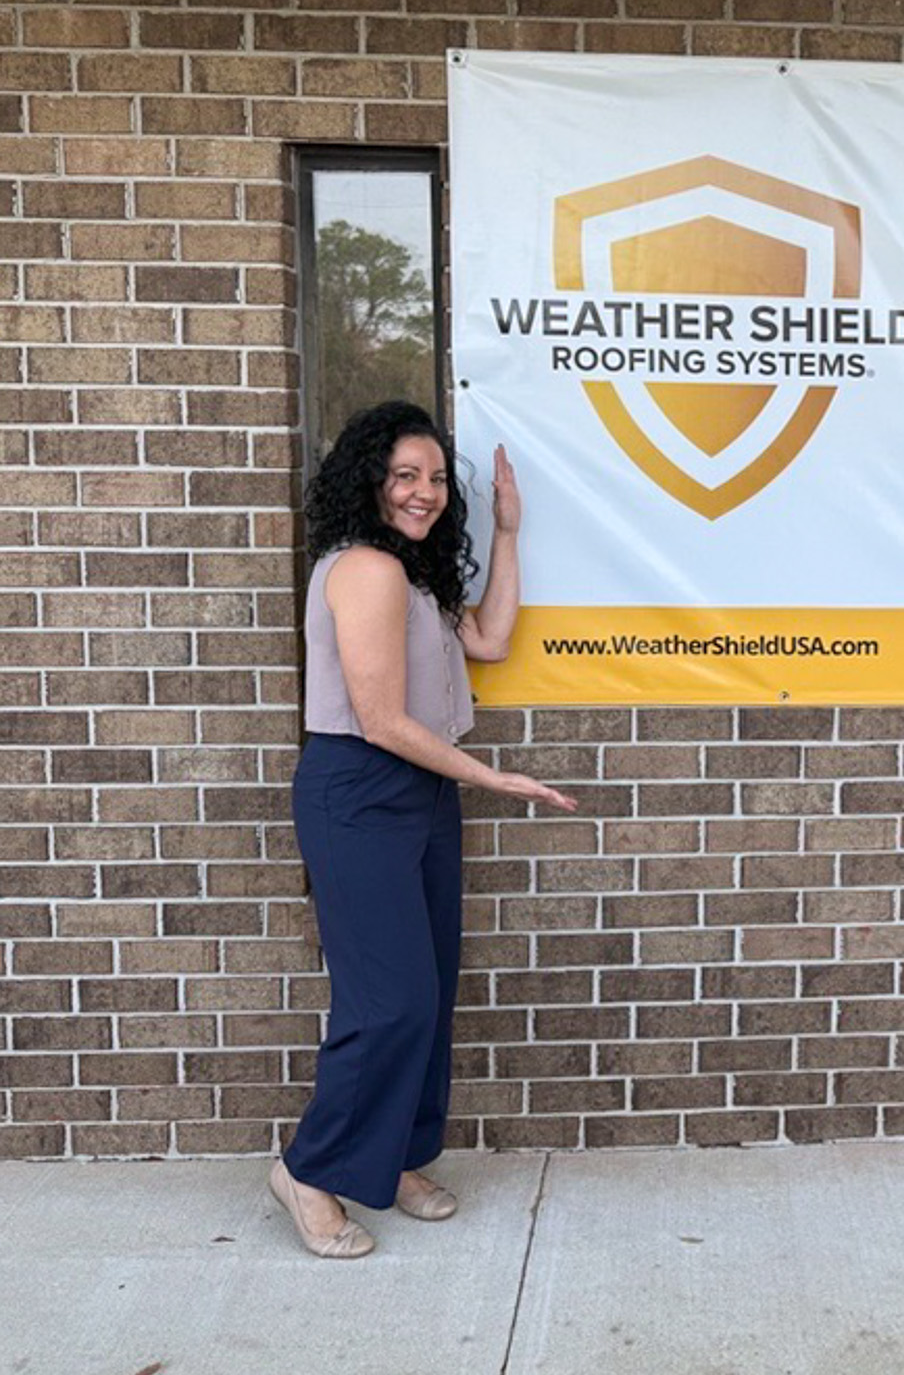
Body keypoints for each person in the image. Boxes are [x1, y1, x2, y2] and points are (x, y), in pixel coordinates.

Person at [271, 402, 576, 1259]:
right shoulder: (366, 568)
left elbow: (492, 638)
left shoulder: (413, 571)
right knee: (390, 1000)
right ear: (370, 480)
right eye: (405, 475)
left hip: (423, 793)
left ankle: (394, 1157)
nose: (424, 492)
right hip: (359, 792)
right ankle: (307, 1171)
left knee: (429, 991)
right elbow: (378, 719)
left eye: (437, 478)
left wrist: (508, 531)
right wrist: (490, 777)